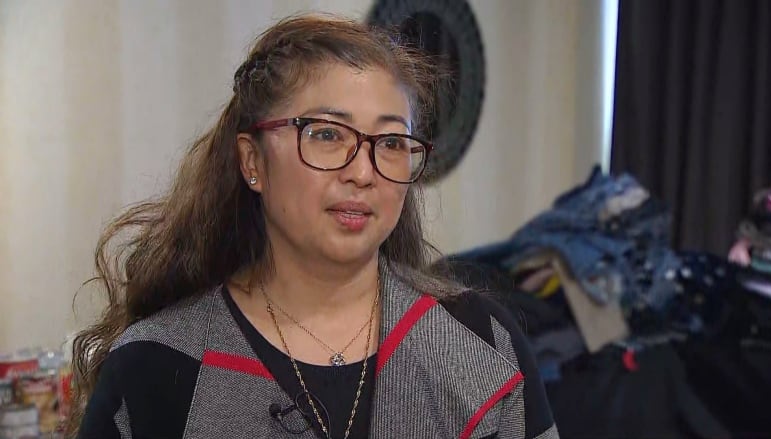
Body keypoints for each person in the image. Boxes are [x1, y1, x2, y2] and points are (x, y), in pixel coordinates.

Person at [70, 13, 558, 439]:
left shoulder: (481, 345)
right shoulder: (154, 367)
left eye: (390, 143)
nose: (363, 172)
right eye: (326, 134)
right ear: (251, 161)